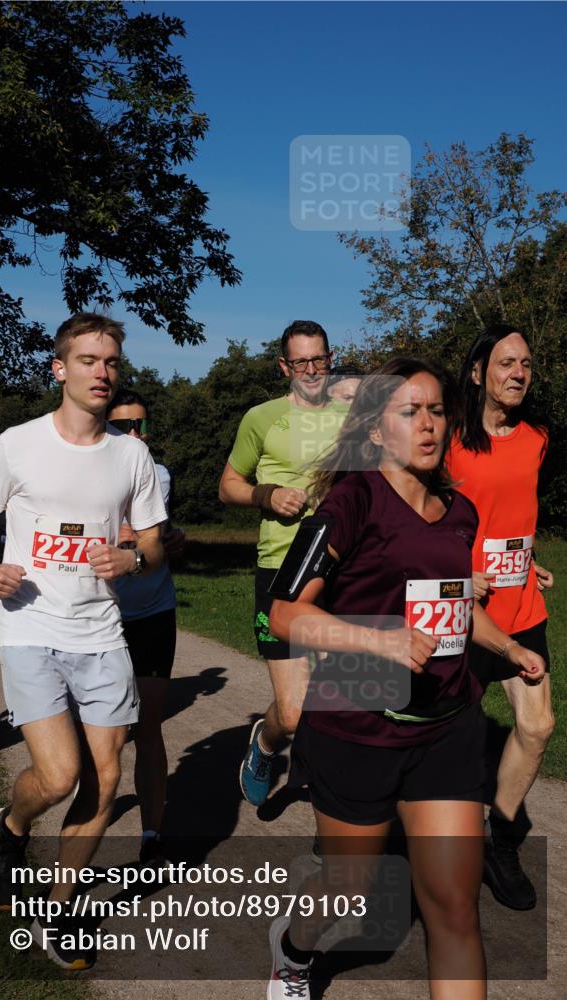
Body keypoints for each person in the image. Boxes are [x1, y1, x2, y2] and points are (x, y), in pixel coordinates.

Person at [265, 357, 545, 1000]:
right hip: (358, 722)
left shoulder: (460, 511)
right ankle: (292, 949)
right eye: (409, 411)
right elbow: (285, 612)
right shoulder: (351, 500)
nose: (428, 424)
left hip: (447, 731)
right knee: (348, 891)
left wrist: (507, 646)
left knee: (453, 910)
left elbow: (455, 602)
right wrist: (373, 637)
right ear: (374, 430)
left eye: (438, 410)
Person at [0, 313, 166, 971]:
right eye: (87, 360)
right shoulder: (17, 444)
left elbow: (155, 542)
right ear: (60, 369)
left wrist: (133, 560)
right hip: (29, 626)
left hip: (102, 633)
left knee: (105, 782)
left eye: (110, 361)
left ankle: (60, 911)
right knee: (59, 776)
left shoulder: (132, 454)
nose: (101, 372)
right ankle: (13, 826)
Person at [447, 324, 555, 910]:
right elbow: (423, 516)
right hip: (458, 610)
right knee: (444, 736)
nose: (518, 372)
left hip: (520, 606)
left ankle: (501, 840)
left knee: (537, 728)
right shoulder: (448, 442)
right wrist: (458, 573)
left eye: (527, 364)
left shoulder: (537, 436)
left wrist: (528, 557)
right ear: (477, 372)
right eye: (506, 362)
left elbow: (515, 510)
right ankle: (372, 826)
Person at [218, 320, 347, 806]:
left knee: (341, 699)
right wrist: (267, 495)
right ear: (284, 367)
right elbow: (227, 485)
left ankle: (336, 806)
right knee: (293, 713)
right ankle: (266, 743)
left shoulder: (356, 416)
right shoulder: (261, 417)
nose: (312, 371)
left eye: (319, 360)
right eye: (301, 363)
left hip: (340, 567)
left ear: (330, 359)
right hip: (282, 568)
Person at [107, 389, 184, 863]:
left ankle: (151, 836)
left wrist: (172, 540)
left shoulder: (158, 475)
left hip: (154, 610)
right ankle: (86, 801)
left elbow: (147, 538)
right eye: (124, 425)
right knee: (109, 735)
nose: (135, 433)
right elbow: (124, 537)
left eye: (140, 424)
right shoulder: (81, 473)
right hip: (102, 618)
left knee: (149, 726)